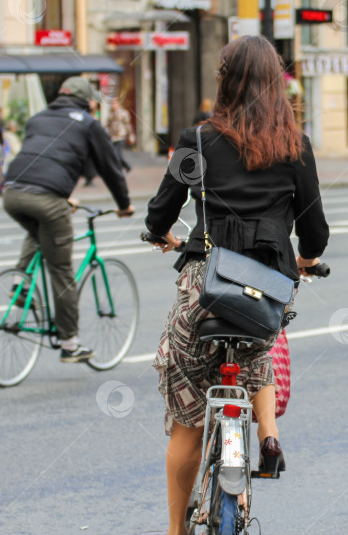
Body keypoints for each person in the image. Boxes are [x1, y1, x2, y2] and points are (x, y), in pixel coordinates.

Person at [144, 35, 329, 535]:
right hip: (265, 289)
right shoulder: (295, 146)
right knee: (258, 343)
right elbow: (315, 232)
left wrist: (162, 234)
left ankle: (175, 531)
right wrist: (307, 260)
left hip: (205, 286)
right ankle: (267, 432)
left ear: (223, 80)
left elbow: (160, 211)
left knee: (187, 422)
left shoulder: (197, 141)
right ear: (276, 82)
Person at [2, 76, 133, 362]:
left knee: (38, 231)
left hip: (11, 193)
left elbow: (42, 157)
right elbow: (110, 167)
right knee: (61, 270)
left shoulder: (37, 118)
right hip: (47, 198)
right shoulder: (88, 123)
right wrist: (124, 205)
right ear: (87, 101)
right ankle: (70, 344)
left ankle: (22, 287)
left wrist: (62, 195)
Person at [105, 97, 134, 172]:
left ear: (118, 104)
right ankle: (127, 166)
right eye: (111, 103)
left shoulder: (123, 113)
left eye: (114, 103)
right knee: (115, 154)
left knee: (117, 154)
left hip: (120, 137)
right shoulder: (110, 114)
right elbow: (107, 125)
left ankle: (119, 170)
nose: (112, 105)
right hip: (113, 137)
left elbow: (128, 125)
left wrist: (131, 135)